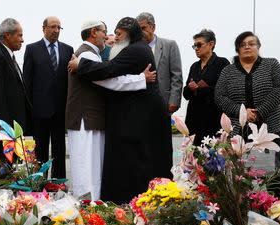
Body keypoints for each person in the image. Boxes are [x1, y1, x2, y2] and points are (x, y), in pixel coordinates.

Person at [68, 17, 172, 204]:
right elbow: (111, 76)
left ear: (129, 33)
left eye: (118, 33)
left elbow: (110, 71)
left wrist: (80, 66)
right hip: (112, 117)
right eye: (109, 33)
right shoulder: (89, 54)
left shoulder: (135, 50)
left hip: (141, 115)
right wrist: (141, 79)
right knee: (92, 167)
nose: (113, 38)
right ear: (93, 32)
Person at [215, 31, 280, 196]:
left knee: (272, 177)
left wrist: (260, 112)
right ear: (237, 49)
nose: (247, 46)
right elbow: (219, 97)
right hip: (239, 131)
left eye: (251, 43)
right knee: (241, 177)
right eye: (242, 44)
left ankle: (275, 213)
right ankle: (244, 214)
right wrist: (242, 113)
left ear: (258, 47)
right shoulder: (228, 71)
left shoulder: (271, 64)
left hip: (270, 128)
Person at [23, 16, 73, 179]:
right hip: (40, 111)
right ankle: (40, 182)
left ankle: (59, 183)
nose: (56, 31)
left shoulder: (68, 50)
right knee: (40, 151)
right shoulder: (32, 49)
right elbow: (27, 82)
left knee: (59, 150)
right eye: (53, 27)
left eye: (59, 27)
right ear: (43, 28)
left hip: (60, 110)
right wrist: (29, 109)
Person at [0, 18, 32, 177]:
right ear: (8, 35)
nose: (22, 39)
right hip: (4, 129)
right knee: (1, 172)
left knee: (14, 170)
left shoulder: (10, 57)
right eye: (20, 35)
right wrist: (4, 125)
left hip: (14, 126)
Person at [183, 29, 229, 145]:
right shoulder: (194, 66)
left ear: (211, 44)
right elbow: (185, 94)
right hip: (194, 118)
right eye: (194, 46)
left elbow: (223, 90)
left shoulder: (222, 63)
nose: (196, 48)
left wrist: (198, 89)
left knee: (214, 157)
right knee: (194, 158)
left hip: (213, 118)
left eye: (199, 45)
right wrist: (190, 88)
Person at [136, 12, 183, 115]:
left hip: (163, 103)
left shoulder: (170, 45)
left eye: (143, 28)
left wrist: (174, 101)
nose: (140, 33)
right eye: (138, 30)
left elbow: (176, 76)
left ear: (153, 27)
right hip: (139, 103)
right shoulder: (134, 48)